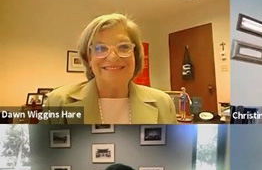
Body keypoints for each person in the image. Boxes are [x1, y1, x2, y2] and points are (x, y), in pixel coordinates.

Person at [42, 13, 176, 124]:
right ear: (89, 57)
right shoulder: (58, 101)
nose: (112, 57)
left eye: (123, 47)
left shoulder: (163, 102)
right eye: (100, 48)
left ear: (135, 55)